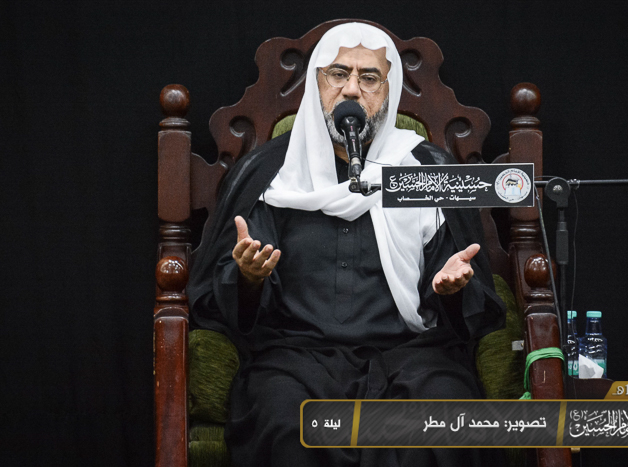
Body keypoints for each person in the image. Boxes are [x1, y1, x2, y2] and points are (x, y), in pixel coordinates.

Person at [188, 22, 506, 467]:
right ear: (316, 84)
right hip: (296, 360)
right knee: (286, 424)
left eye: (369, 77)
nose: (352, 89)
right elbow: (225, 305)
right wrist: (248, 278)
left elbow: (467, 302)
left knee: (445, 420)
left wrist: (451, 290)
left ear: (389, 91)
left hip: (414, 358)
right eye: (338, 74)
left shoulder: (427, 171)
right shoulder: (272, 173)